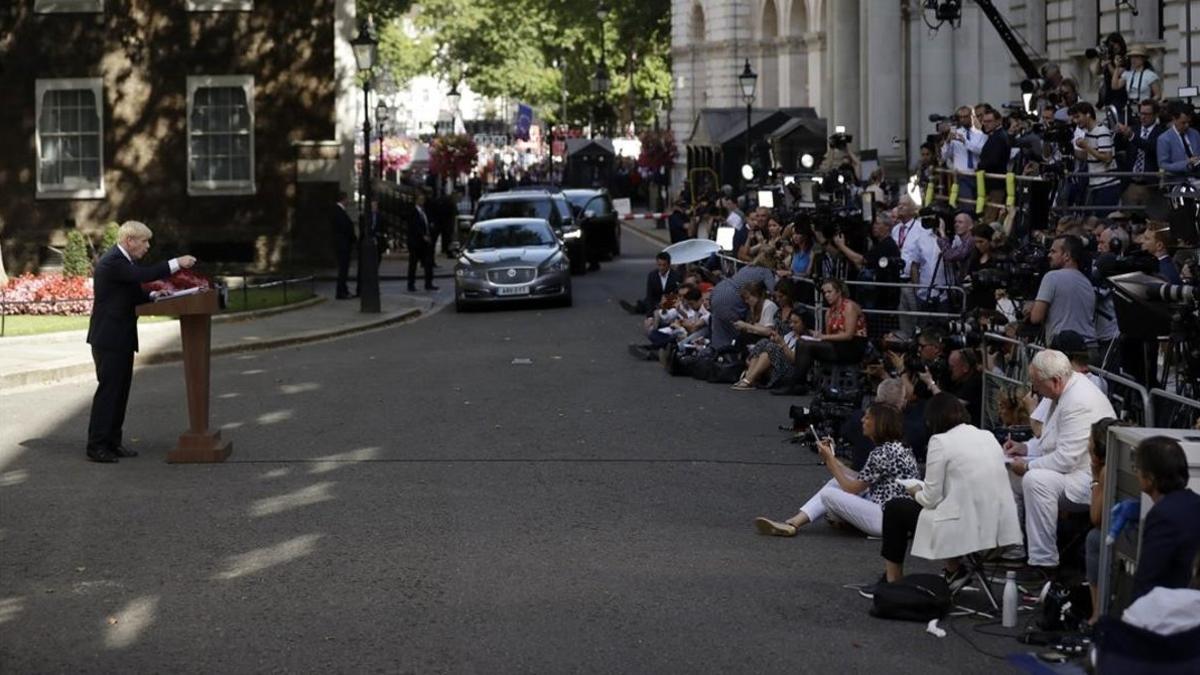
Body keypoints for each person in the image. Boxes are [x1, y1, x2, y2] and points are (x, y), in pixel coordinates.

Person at [863, 393, 1022, 596]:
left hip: (968, 528)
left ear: (933, 419)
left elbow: (930, 499)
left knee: (896, 508)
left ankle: (893, 581)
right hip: (1000, 527)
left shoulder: (940, 442)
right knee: (950, 505)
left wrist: (914, 491)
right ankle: (953, 570)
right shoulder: (987, 435)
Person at [86, 221, 197, 463]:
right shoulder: (113, 260)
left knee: (120, 392)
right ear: (129, 241)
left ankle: (113, 442)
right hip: (109, 337)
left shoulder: (125, 261)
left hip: (120, 336)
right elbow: (145, 275)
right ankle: (97, 446)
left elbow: (131, 292)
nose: (147, 246)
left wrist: (154, 295)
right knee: (109, 392)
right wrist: (177, 263)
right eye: (144, 241)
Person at [1005, 350, 1116, 571]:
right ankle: (1013, 546)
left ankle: (1043, 562)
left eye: (1036, 383)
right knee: (1007, 472)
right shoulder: (1060, 390)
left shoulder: (1078, 400)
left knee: (1036, 481)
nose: (1034, 389)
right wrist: (1024, 448)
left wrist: (1027, 465)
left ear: (1055, 381)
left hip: (1088, 477)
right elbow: (1052, 438)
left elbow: (1065, 458)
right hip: (1073, 469)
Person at [754, 403, 919, 538]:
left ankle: (792, 524)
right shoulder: (899, 447)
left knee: (829, 494)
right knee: (835, 483)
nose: (862, 420)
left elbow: (851, 488)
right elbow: (860, 479)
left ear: (879, 424)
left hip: (887, 520)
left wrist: (831, 462)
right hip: (898, 516)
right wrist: (833, 459)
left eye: (867, 417)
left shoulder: (881, 453)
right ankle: (793, 523)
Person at [1130, 436, 1200, 600]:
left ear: (1150, 478)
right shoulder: (1195, 502)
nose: (1136, 474)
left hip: (1175, 608)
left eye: (1137, 469)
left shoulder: (1162, 516)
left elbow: (1147, 580)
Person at [789, 278, 867, 391]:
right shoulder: (829, 312)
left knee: (806, 345)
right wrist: (817, 337)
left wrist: (823, 337)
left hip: (852, 345)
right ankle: (798, 382)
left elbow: (849, 335)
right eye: (824, 293)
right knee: (802, 342)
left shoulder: (849, 307)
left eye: (829, 292)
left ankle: (796, 383)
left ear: (839, 292)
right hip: (836, 345)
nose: (826, 295)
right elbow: (829, 336)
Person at [1085, 417, 1122, 625]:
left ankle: (1097, 614)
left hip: (1122, 533)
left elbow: (1096, 518)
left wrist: (1095, 479)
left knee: (1094, 538)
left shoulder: (1107, 470)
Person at [1028, 235, 1096, 347]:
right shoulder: (1087, 283)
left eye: (1053, 252)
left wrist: (1031, 308)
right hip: (1091, 348)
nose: (1049, 255)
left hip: (1065, 349)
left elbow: (1036, 317)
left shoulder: (1052, 277)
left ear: (1067, 256)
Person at [707, 251, 778, 350]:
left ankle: (716, 352)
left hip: (719, 288)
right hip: (732, 297)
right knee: (734, 332)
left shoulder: (747, 267)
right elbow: (774, 291)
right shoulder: (766, 271)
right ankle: (728, 355)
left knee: (719, 328)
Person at [733, 309, 804, 391]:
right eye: (791, 322)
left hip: (790, 370)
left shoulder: (805, 340)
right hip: (777, 365)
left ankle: (749, 379)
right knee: (764, 342)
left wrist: (782, 343)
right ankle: (750, 376)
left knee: (772, 348)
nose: (792, 325)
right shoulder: (790, 335)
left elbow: (794, 360)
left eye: (796, 323)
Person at [1116, 100, 1166, 206]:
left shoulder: (1162, 133)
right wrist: (1118, 134)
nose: (1143, 117)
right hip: (1131, 184)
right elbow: (1120, 148)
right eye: (1141, 113)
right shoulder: (1134, 129)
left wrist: (1132, 137)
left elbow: (1150, 147)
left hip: (1150, 185)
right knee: (1127, 217)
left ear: (1156, 115)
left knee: (1150, 219)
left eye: (1147, 114)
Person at [921, 348, 984, 426]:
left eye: (952, 367)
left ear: (965, 368)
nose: (949, 370)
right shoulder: (958, 379)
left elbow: (950, 406)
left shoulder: (976, 382)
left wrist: (931, 383)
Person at [620, 252, 681, 316]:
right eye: (659, 265)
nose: (661, 268)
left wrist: (667, 300)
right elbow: (649, 295)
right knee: (647, 302)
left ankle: (640, 308)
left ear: (669, 264)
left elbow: (678, 294)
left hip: (669, 302)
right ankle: (636, 308)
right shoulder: (652, 275)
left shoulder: (676, 276)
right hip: (656, 301)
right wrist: (649, 316)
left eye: (664, 265)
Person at [1156, 103, 1200, 179]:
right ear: (1174, 119)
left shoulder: (1195, 134)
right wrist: (1186, 164)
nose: (1187, 125)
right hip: (1178, 180)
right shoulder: (1164, 139)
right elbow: (1163, 165)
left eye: (1189, 122)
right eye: (1183, 123)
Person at [406, 193, 437, 292]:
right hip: (416, 242)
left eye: (423, 199)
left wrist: (431, 228)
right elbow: (414, 227)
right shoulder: (413, 212)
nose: (422, 201)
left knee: (428, 264)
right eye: (420, 199)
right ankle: (411, 284)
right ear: (416, 201)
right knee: (413, 264)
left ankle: (428, 283)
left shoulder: (425, 211)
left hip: (426, 242)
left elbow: (428, 222)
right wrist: (422, 235)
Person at [331, 191, 356, 299]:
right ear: (343, 199)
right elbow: (344, 228)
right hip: (342, 245)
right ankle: (341, 292)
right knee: (343, 269)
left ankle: (344, 290)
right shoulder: (338, 211)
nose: (348, 201)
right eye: (347, 199)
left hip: (343, 244)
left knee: (344, 269)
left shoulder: (339, 211)